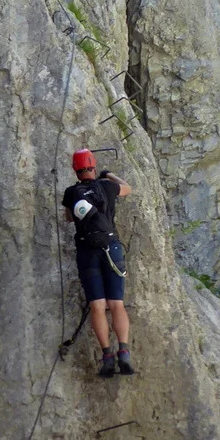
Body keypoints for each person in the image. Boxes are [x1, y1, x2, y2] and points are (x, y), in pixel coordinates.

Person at [62, 149, 134, 377]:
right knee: (116, 304)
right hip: (111, 248)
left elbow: (69, 217)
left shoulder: (72, 192)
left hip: (88, 251)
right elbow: (128, 188)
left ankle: (107, 356)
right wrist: (109, 175)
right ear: (93, 165)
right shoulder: (107, 187)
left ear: (75, 169)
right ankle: (124, 352)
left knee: (97, 305)